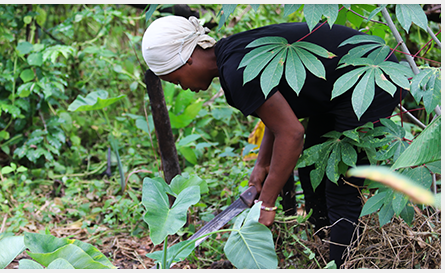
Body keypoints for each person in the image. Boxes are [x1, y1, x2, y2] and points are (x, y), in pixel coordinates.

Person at [141, 16, 404, 267]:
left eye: (175, 80)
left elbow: (291, 133)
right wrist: (261, 166)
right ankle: (327, 253)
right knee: (313, 170)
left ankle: (344, 264)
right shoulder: (232, 53)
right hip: (339, 90)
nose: (182, 87)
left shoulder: (235, 70)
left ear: (187, 59)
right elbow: (279, 114)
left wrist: (266, 203)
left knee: (340, 186)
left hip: (371, 79)